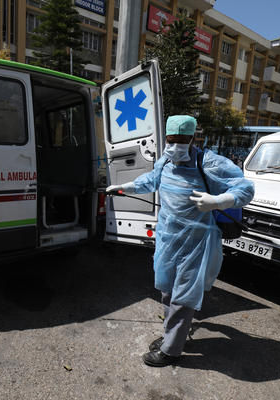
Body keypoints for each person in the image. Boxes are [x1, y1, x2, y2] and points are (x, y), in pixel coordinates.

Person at [106, 115, 254, 367]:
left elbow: (245, 188)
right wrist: (124, 187)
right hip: (168, 238)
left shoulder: (209, 163)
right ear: (166, 138)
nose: (175, 146)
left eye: (181, 141)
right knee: (166, 290)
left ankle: (171, 350)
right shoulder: (165, 162)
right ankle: (170, 334)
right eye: (171, 140)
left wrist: (217, 201)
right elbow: (149, 181)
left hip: (195, 243)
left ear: (193, 138)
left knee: (183, 297)